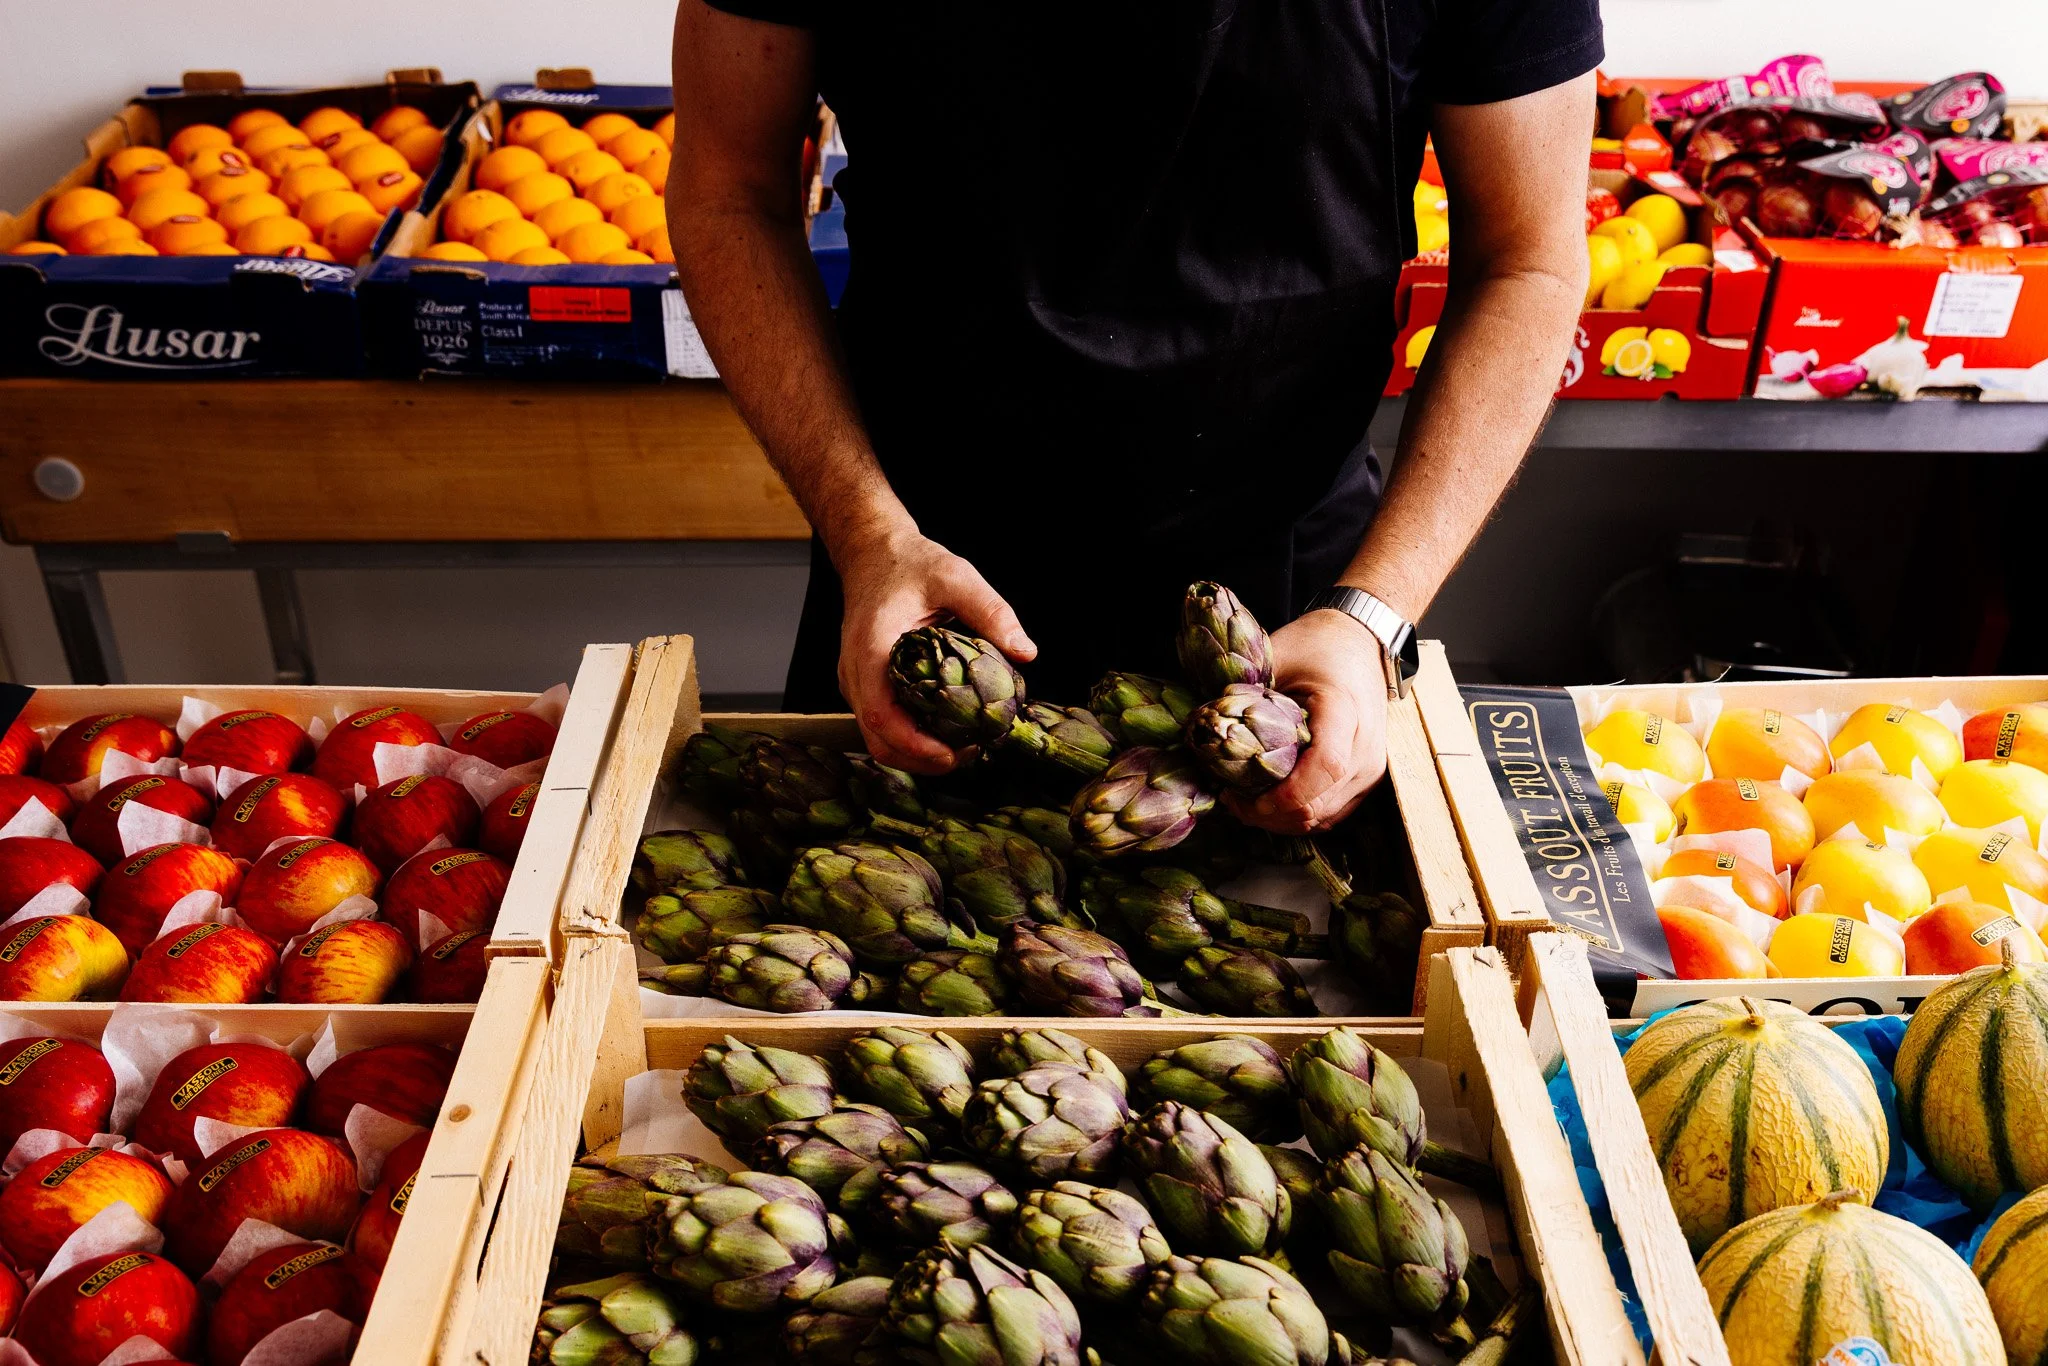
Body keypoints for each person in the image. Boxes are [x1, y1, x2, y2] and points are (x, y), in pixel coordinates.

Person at [668, 1, 1600, 834]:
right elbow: (728, 194)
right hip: (917, 588)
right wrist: (867, 532)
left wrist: (1370, 615)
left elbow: (1528, 259)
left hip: (1294, 622)